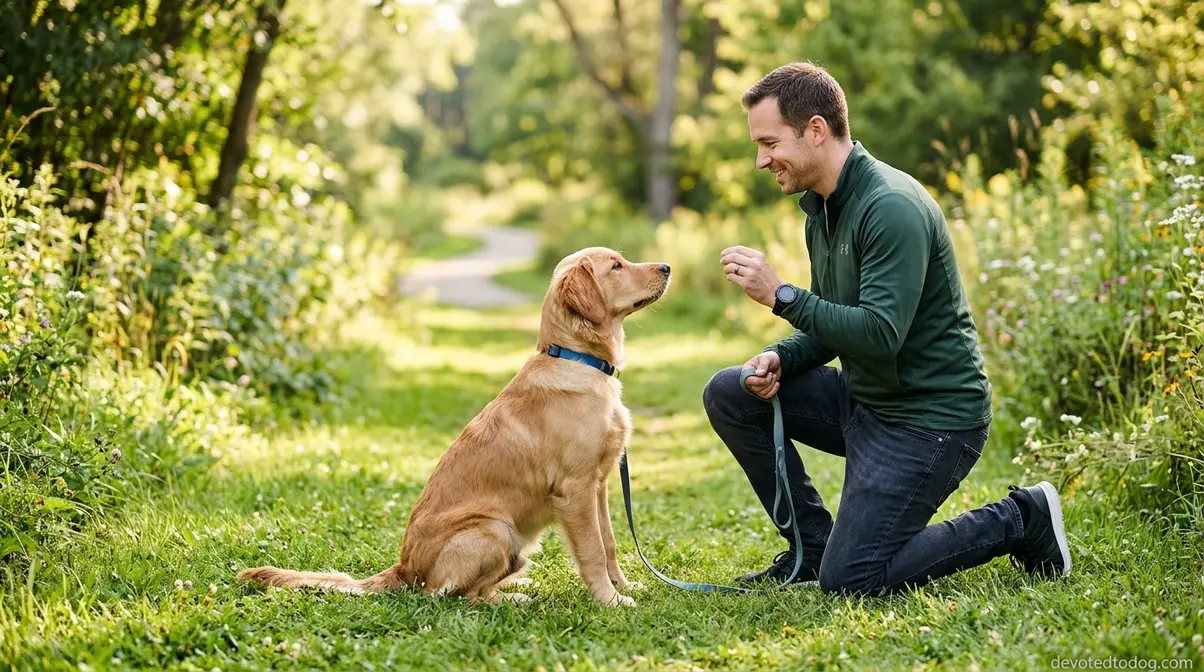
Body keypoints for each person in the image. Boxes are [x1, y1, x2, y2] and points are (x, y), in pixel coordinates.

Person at [702, 61, 1071, 596]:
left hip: (930, 419)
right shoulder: (822, 208)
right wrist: (783, 357)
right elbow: (836, 320)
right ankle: (811, 550)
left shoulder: (890, 206)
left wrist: (782, 295)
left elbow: (878, 333)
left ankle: (1021, 517)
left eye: (769, 142)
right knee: (730, 392)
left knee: (853, 579)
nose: (761, 160)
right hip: (869, 401)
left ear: (815, 130)